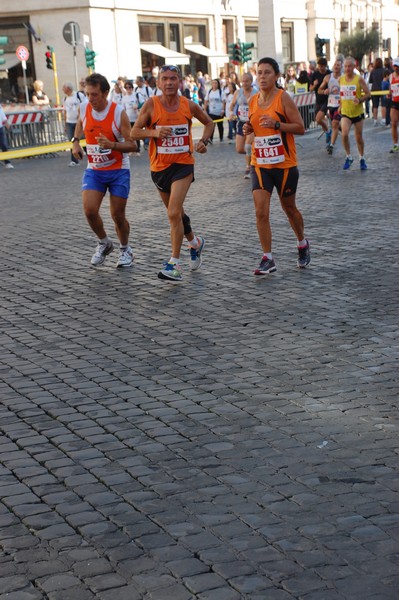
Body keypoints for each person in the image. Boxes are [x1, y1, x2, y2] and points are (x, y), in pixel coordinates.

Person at [130, 65, 214, 283]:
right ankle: (194, 242)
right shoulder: (151, 105)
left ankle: (174, 264)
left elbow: (209, 122)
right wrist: (154, 132)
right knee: (177, 214)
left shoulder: (188, 105)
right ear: (158, 83)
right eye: (165, 79)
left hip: (183, 164)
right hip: (159, 169)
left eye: (173, 79)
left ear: (180, 82)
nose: (169, 82)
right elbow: (134, 132)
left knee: (173, 212)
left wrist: (203, 141)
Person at [244, 57, 309, 276]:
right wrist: (247, 130)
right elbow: (254, 130)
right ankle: (268, 258)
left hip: (284, 164)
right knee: (261, 212)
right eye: (259, 72)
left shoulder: (283, 98)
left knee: (289, 209)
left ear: (276, 76)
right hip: (260, 164)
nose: (262, 77)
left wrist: (277, 125)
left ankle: (301, 242)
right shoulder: (253, 101)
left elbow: (300, 127)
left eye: (267, 73)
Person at [71, 73, 137, 268]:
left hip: (118, 170)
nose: (90, 99)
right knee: (90, 211)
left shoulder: (118, 113)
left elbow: (133, 145)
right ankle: (104, 243)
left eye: (94, 95)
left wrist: (112, 145)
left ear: (106, 93)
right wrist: (75, 143)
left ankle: (125, 249)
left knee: (117, 215)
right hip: (95, 170)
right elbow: (80, 124)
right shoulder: (84, 107)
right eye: (87, 94)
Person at [339, 56, 370, 170]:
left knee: (358, 138)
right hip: (345, 112)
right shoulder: (341, 79)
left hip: (357, 113)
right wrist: (340, 105)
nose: (347, 68)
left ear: (354, 67)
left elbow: (368, 93)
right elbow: (342, 95)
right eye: (345, 66)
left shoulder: (358, 79)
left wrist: (360, 100)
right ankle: (348, 156)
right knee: (344, 134)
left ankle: (362, 158)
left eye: (349, 66)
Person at [230, 72, 257, 178]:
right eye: (243, 81)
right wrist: (231, 113)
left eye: (247, 81)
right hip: (241, 122)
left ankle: (249, 168)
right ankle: (256, 154)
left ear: (251, 82)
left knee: (248, 146)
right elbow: (232, 105)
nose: (244, 83)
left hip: (252, 123)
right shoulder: (238, 92)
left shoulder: (256, 93)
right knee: (240, 149)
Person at [318, 60, 342, 155]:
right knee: (335, 125)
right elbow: (319, 90)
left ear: (341, 67)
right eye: (335, 65)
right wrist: (324, 91)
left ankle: (331, 145)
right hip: (331, 104)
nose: (336, 67)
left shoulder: (344, 77)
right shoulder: (328, 77)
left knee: (335, 124)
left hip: (340, 105)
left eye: (338, 65)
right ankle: (343, 130)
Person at [309, 57, 331, 145]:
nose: (321, 68)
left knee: (318, 118)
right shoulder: (315, 74)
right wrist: (314, 85)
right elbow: (310, 89)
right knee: (318, 120)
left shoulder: (330, 74)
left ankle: (328, 133)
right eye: (319, 66)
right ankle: (328, 132)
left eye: (323, 66)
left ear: (325, 66)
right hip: (318, 100)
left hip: (328, 100)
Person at [62, 82, 80, 167]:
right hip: (69, 122)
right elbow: (65, 112)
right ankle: (74, 160)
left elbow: (84, 106)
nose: (63, 89)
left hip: (78, 122)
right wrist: (65, 123)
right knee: (72, 141)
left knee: (82, 139)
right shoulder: (65, 98)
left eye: (64, 88)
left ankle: (89, 155)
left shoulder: (78, 96)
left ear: (68, 88)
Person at [369, 58, 385, 126]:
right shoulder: (384, 70)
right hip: (382, 89)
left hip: (374, 89)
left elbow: (370, 81)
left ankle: (375, 120)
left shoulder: (373, 71)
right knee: (383, 105)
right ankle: (383, 119)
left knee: (375, 105)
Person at [388, 57, 399, 153]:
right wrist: (389, 94)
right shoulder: (391, 76)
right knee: (394, 123)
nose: (396, 68)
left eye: (398, 66)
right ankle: (396, 144)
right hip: (394, 102)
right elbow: (390, 88)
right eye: (395, 66)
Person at [0, 104, 13, 169]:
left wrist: (6, 123)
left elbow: (1, 113)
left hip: (0, 127)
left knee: (4, 145)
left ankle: (7, 162)